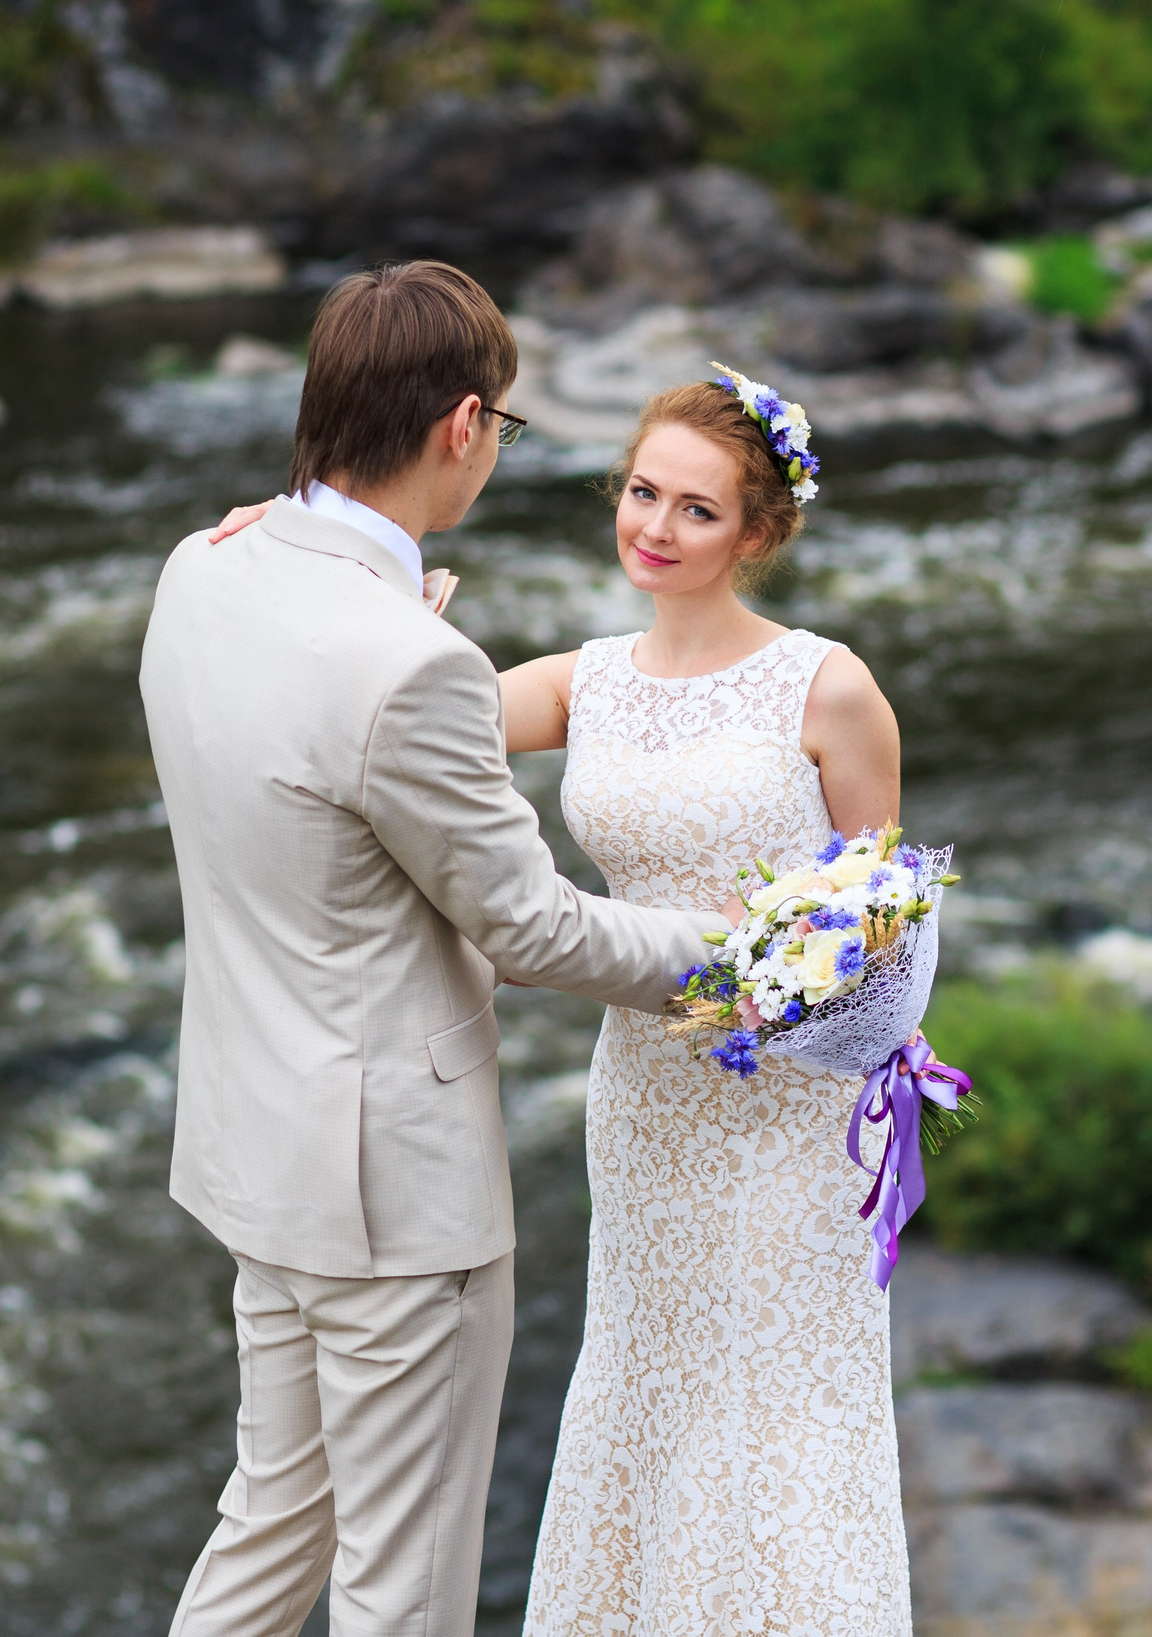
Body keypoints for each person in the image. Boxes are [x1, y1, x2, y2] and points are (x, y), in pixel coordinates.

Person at [138, 260, 732, 1637]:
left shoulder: (202, 568)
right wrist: (742, 947)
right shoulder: (408, 665)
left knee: (269, 1528)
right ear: (463, 424)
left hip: (257, 1152)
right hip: (392, 1201)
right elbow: (526, 924)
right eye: (505, 428)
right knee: (400, 1590)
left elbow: (310, 757)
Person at [500, 380, 912, 1635]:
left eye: (696, 507)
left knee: (779, 1399)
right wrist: (306, 565)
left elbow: (885, 926)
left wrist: (795, 995)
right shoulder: (582, 683)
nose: (657, 528)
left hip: (791, 1122)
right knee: (650, 1377)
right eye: (641, 492)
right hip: (643, 1106)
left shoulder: (827, 689)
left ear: (754, 533)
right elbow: (403, 719)